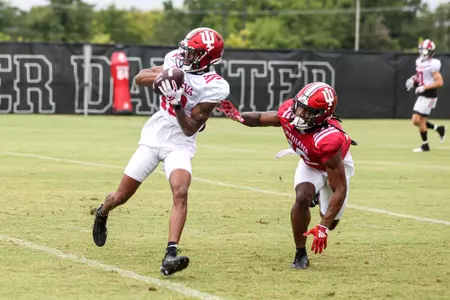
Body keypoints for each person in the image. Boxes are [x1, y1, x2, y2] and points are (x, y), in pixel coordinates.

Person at [92, 27, 230, 276]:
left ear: (206, 58)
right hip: (155, 134)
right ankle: (102, 213)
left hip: (180, 142)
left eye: (192, 52)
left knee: (181, 191)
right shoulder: (175, 60)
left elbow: (189, 129)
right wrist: (163, 79)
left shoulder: (216, 86)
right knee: (121, 196)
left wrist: (178, 102)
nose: (185, 54)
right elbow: (139, 77)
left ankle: (171, 253)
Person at [218, 82, 355, 269]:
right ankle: (300, 253)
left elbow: (340, 188)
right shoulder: (290, 113)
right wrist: (238, 117)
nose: (299, 113)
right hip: (310, 163)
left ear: (321, 115)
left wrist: (323, 226)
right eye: (300, 107)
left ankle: (319, 203)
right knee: (301, 199)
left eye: (307, 112)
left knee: (331, 223)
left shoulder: (328, 140)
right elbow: (259, 118)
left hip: (332, 166)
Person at [405, 39, 445, 152]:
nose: (422, 53)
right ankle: (438, 129)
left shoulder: (433, 64)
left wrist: (424, 87)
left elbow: (440, 82)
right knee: (415, 121)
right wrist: (413, 81)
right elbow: (420, 77)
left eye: (425, 51)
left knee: (418, 119)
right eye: (421, 50)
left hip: (430, 95)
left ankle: (425, 145)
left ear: (430, 51)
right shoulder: (419, 62)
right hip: (422, 94)